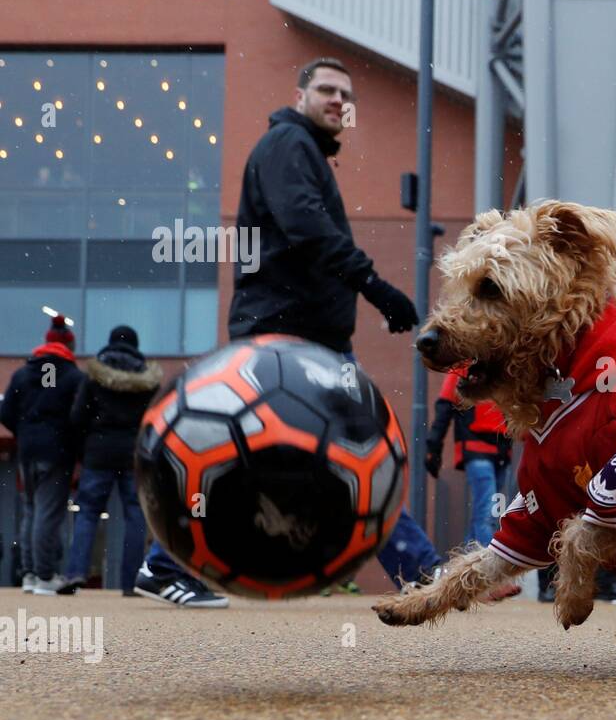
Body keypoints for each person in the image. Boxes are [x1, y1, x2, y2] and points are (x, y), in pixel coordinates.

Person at [223, 56, 513, 599]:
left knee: (338, 453)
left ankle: (423, 570)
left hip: (312, 340)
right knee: (338, 452)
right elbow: (306, 227)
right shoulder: (288, 145)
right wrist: (375, 286)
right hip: (284, 339)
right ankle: (427, 571)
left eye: (345, 95)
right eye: (327, 90)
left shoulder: (303, 151)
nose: (337, 101)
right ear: (300, 95)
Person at [63, 326, 158, 595]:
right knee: (135, 515)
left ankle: (76, 572)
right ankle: (130, 583)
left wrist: (84, 449)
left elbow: (77, 418)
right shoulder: (148, 381)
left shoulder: (93, 378)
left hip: (98, 453)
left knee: (88, 513)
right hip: (133, 456)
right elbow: (154, 421)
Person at [0, 314, 85, 595]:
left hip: (27, 451)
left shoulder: (23, 373)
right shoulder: (73, 376)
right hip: (56, 451)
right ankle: (45, 575)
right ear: (68, 346)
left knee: (31, 510)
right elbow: (80, 416)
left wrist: (24, 431)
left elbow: (6, 412)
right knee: (48, 513)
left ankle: (29, 574)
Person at [426, 372, 513, 548]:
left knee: (488, 514)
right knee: (487, 514)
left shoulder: (502, 364)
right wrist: (434, 448)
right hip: (478, 447)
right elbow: (445, 406)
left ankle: (470, 561)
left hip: (500, 451)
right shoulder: (462, 368)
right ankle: (486, 566)